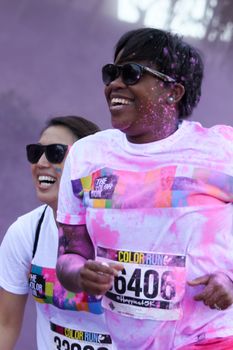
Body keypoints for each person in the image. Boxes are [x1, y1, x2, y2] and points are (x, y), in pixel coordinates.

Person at [56, 28, 233, 350]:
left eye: (132, 73)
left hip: (211, 339)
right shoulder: (86, 155)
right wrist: (81, 273)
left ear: (173, 92)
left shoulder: (222, 150)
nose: (114, 84)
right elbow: (70, 253)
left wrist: (230, 279)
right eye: (111, 73)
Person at [0, 116, 114, 350]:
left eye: (55, 153)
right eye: (35, 152)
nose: (40, 162)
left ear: (87, 164)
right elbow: (6, 325)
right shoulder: (26, 232)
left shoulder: (123, 232)